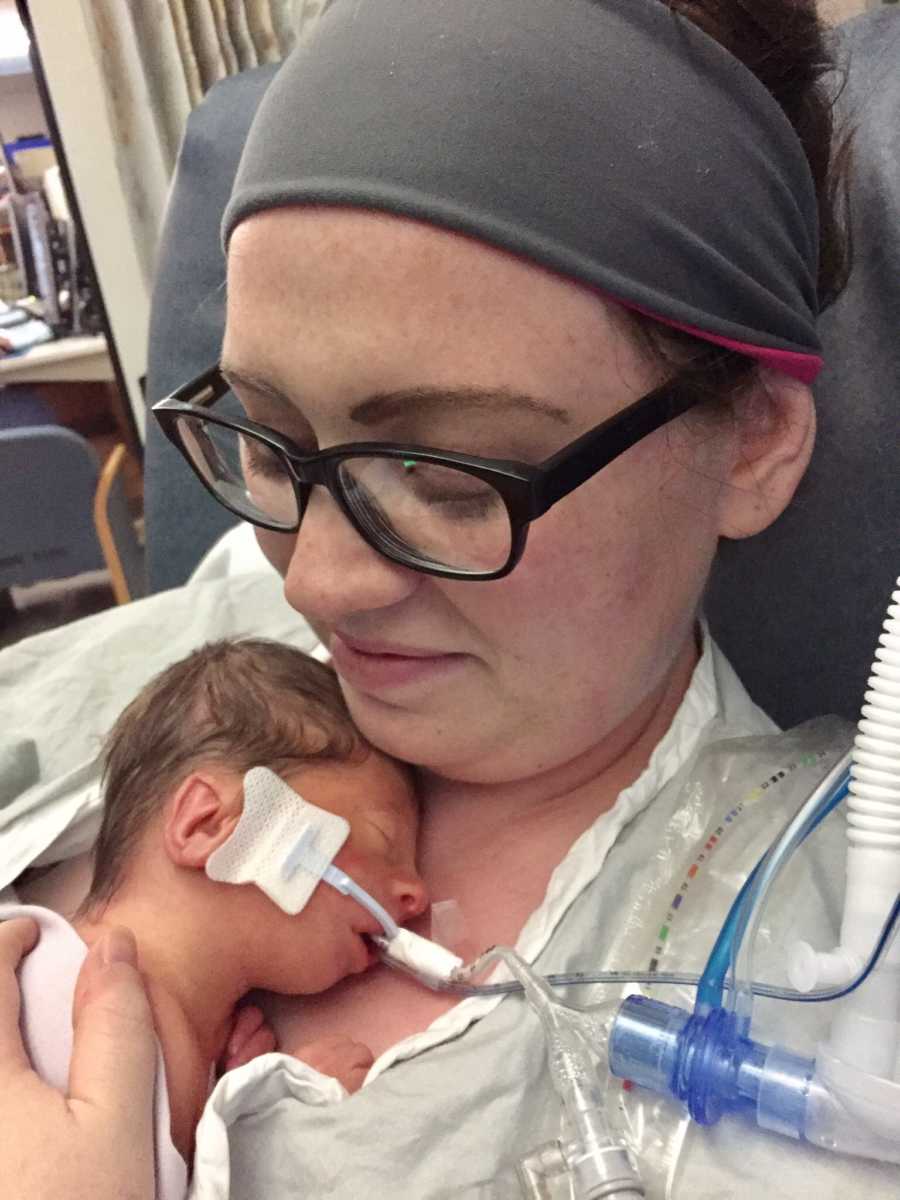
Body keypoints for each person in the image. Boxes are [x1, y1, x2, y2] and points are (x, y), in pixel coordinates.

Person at [1, 0, 896, 1196]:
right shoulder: (197, 639)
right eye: (265, 442)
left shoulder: (827, 974)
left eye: (442, 474)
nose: (315, 579)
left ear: (749, 444)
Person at [0, 638, 426, 1190]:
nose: (416, 894)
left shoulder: (201, 1062)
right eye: (385, 840)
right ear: (209, 825)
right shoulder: (42, 976)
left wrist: (246, 1121)